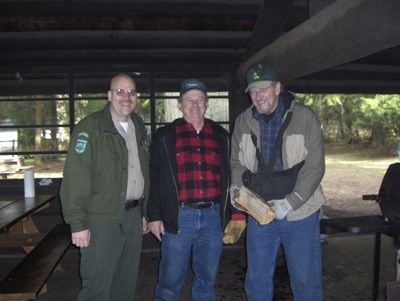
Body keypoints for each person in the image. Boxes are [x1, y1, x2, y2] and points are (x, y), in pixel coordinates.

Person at [226, 64, 326, 301]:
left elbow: (315, 167)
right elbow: (237, 162)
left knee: (306, 281)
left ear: (278, 88)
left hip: (300, 214)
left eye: (264, 89)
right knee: (257, 280)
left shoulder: (304, 117)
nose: (258, 95)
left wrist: (290, 203)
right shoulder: (243, 122)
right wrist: (236, 186)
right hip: (260, 213)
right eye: (253, 91)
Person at [60, 73, 150, 301]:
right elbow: (75, 178)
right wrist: (77, 223)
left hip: (132, 216)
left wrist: (144, 212)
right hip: (101, 219)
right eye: (120, 91)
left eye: (131, 92)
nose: (126, 97)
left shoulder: (138, 126)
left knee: (124, 286)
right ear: (109, 95)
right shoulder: (90, 128)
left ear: (136, 97)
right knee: (97, 288)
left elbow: (142, 171)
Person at [146, 79, 230, 301]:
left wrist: (231, 213)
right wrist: (153, 215)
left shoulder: (221, 135)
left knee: (207, 280)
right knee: (169, 282)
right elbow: (153, 178)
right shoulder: (165, 136)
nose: (195, 104)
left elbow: (229, 177)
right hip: (179, 217)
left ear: (207, 103)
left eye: (199, 99)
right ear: (179, 104)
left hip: (213, 216)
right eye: (189, 99)